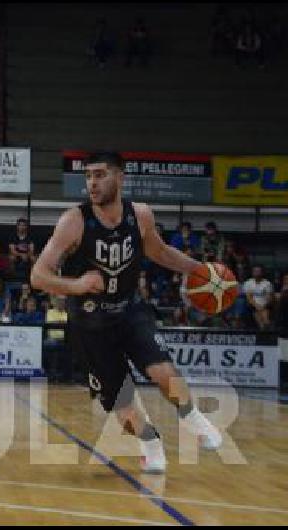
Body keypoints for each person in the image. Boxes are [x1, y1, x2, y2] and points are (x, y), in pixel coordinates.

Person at [31, 152, 227, 474]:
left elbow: (159, 251)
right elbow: (37, 276)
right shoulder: (74, 221)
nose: (92, 183)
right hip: (90, 323)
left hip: (129, 310)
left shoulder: (141, 215)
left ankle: (193, 417)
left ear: (120, 178)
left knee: (164, 373)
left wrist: (200, 271)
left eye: (100, 175)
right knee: (124, 409)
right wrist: (77, 284)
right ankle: (150, 443)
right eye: (88, 177)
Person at [244, 265, 274, 330]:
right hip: (253, 304)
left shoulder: (267, 283)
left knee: (264, 312)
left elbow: (269, 298)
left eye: (258, 271)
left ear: (262, 273)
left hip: (265, 305)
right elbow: (249, 298)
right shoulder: (248, 283)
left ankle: (265, 326)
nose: (256, 273)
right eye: (255, 271)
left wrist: (263, 305)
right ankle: (264, 327)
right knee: (256, 311)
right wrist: (257, 306)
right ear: (252, 273)